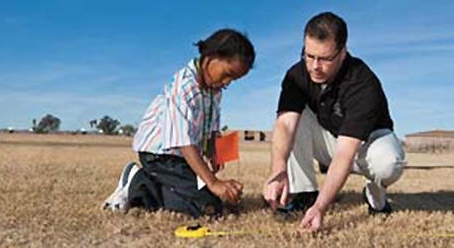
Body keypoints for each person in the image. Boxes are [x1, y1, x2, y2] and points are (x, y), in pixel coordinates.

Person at [262, 12, 406, 231]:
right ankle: (304, 194)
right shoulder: (296, 75)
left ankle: (373, 194)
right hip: (332, 137)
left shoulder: (362, 83)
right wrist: (278, 169)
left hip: (368, 145)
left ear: (343, 52)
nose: (314, 66)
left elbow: (344, 154)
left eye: (325, 59)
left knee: (389, 164)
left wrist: (321, 208)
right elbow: (285, 125)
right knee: (292, 119)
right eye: (309, 56)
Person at [102, 28, 255, 218]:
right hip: (159, 155)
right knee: (209, 207)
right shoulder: (183, 87)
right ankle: (138, 183)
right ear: (209, 58)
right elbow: (183, 141)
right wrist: (213, 183)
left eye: (234, 79)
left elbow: (212, 125)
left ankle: (150, 185)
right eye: (227, 74)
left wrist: (213, 152)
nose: (228, 82)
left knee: (209, 200)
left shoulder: (215, 91)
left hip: (180, 160)